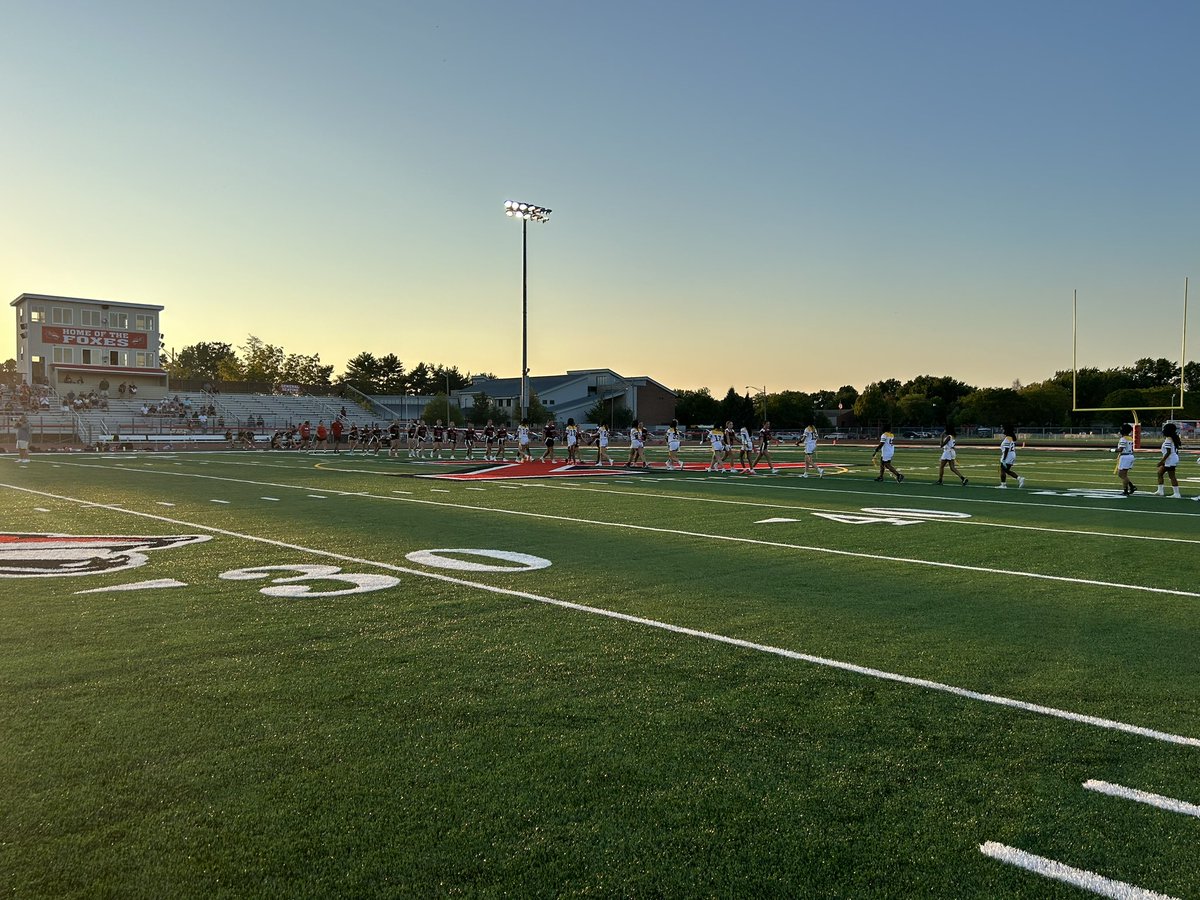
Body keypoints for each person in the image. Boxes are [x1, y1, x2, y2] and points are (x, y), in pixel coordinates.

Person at [1152, 422, 1182, 498]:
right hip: (1171, 458)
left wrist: (1161, 461)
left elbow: (1168, 452)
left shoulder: (1169, 439)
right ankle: (1160, 491)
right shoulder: (1172, 438)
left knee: (1171, 476)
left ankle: (1177, 493)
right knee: (1159, 473)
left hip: (1170, 459)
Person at [1114, 423, 1137, 495]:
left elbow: (1120, 449)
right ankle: (1131, 486)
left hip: (1125, 456)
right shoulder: (1130, 438)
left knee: (1122, 475)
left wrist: (1112, 450)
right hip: (1129, 455)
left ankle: (1126, 490)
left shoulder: (1123, 439)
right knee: (1123, 474)